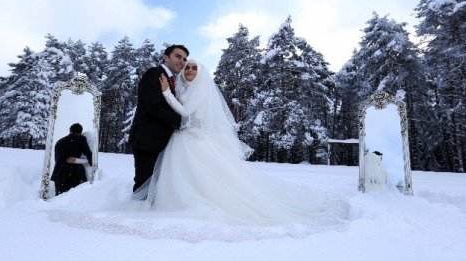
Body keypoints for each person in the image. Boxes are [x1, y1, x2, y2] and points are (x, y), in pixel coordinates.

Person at [141, 59, 349, 226]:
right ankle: (180, 202)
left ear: (201, 73)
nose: (190, 71)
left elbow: (185, 111)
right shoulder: (186, 89)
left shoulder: (200, 89)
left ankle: (202, 204)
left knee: (209, 177)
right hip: (184, 137)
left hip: (195, 139)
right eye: (188, 68)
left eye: (195, 68)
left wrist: (166, 93)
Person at [128, 44, 189, 199]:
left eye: (184, 59)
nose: (182, 61)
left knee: (158, 187)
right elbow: (153, 107)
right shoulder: (154, 73)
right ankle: (134, 219)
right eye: (178, 56)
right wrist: (183, 122)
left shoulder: (175, 81)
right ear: (165, 57)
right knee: (144, 186)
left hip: (163, 143)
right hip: (148, 141)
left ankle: (151, 218)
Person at [51, 123, 93, 196]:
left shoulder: (59, 141)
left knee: (59, 199)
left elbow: (56, 159)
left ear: (70, 131)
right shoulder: (81, 138)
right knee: (78, 197)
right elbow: (89, 154)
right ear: (80, 132)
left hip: (58, 174)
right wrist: (93, 164)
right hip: (73, 173)